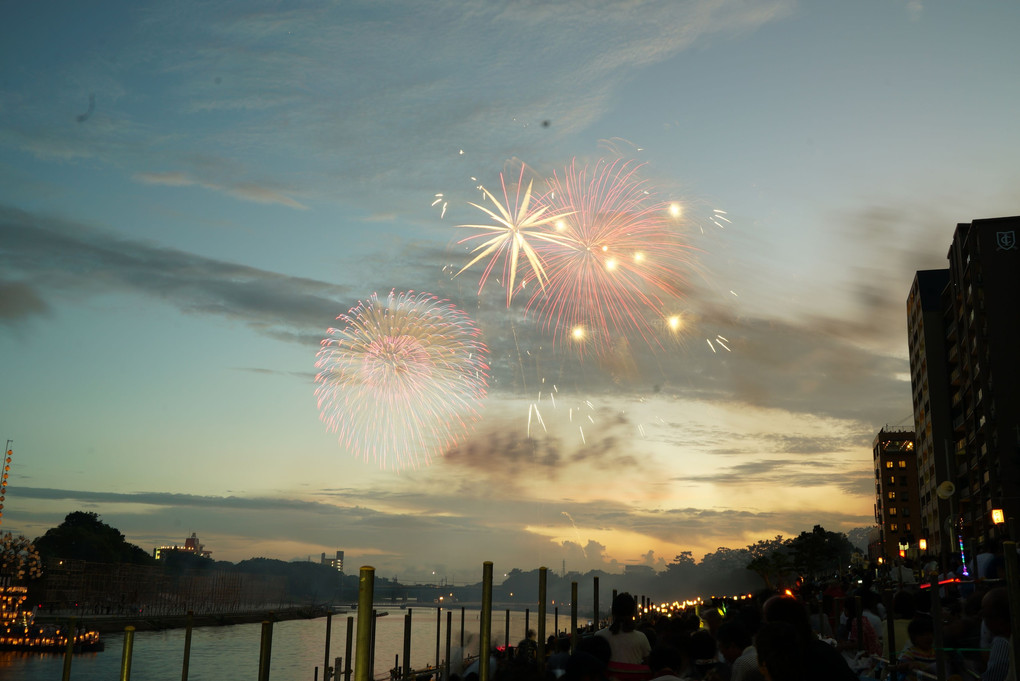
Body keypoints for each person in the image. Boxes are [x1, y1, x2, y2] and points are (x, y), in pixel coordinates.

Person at [596, 593, 651, 681]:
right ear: (633, 613)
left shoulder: (599, 636)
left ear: (613, 612)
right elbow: (649, 664)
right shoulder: (641, 638)